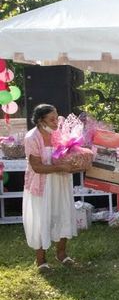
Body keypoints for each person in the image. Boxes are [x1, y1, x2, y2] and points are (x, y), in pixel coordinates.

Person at [23, 104, 80, 271]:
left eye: (57, 117)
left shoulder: (59, 134)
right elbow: (37, 167)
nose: (57, 122)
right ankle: (41, 260)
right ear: (41, 121)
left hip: (60, 184)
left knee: (63, 214)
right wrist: (60, 168)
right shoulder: (31, 137)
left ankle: (61, 254)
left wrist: (77, 159)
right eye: (52, 119)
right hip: (42, 186)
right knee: (41, 220)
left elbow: (68, 153)